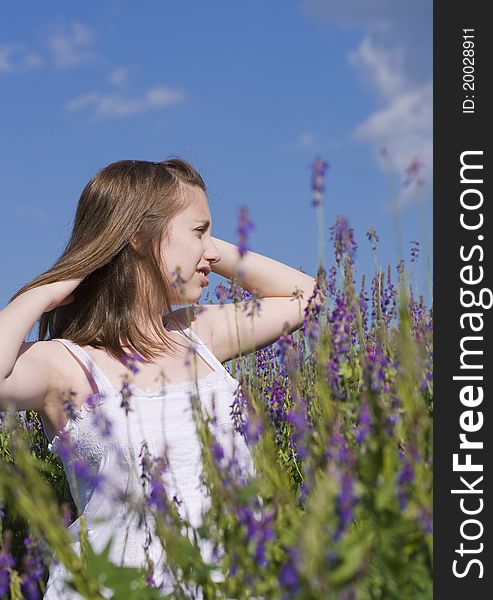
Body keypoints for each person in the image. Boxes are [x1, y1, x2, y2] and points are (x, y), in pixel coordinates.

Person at [0, 158, 317, 598]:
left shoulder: (198, 332)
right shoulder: (68, 365)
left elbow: (308, 298)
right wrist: (45, 292)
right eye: (198, 231)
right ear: (138, 236)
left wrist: (201, 241)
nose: (211, 250)